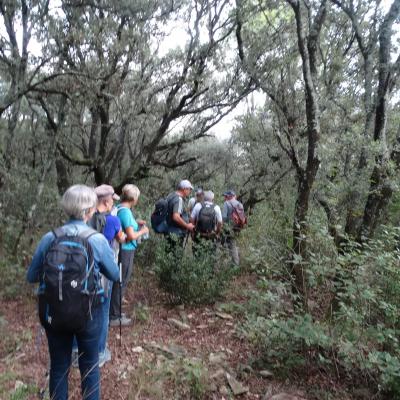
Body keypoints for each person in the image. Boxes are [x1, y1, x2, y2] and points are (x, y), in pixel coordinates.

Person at [27, 184, 120, 400]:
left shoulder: (49, 238)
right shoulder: (96, 240)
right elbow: (114, 275)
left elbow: (32, 276)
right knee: (90, 365)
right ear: (90, 210)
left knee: (59, 366)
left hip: (54, 311)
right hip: (89, 313)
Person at [93, 184, 126, 366]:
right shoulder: (113, 220)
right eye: (112, 199)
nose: (113, 202)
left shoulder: (87, 218)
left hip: (86, 270)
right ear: (106, 201)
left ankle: (76, 350)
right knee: (103, 311)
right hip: (105, 270)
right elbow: (121, 238)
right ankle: (99, 352)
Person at [109, 184, 149, 327]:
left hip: (123, 249)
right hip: (125, 250)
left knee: (120, 280)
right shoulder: (125, 211)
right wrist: (143, 231)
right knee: (121, 281)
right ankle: (114, 316)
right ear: (133, 198)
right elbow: (131, 236)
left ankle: (115, 311)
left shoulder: (121, 209)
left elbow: (126, 227)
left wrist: (135, 223)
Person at [190, 190, 223, 257]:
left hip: (199, 234)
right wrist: (217, 233)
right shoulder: (216, 207)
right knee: (210, 254)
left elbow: (192, 219)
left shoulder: (198, 205)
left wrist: (193, 232)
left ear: (204, 198)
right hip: (211, 234)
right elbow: (220, 222)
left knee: (197, 254)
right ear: (212, 199)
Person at [222, 190, 243, 266]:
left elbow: (223, 218)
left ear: (229, 196)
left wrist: (221, 228)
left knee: (230, 245)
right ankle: (234, 262)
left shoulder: (226, 203)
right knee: (233, 243)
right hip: (238, 228)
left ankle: (235, 264)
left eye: (226, 196)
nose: (225, 197)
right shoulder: (240, 204)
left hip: (228, 228)